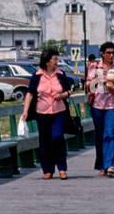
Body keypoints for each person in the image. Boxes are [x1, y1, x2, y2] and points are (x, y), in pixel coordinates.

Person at [21, 49, 76, 180]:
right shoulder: (37, 76)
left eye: (57, 59)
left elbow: (69, 91)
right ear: (47, 61)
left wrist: (61, 95)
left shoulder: (61, 74)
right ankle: (48, 169)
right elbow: (30, 93)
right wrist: (25, 110)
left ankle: (62, 168)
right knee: (45, 141)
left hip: (59, 111)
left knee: (57, 137)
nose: (57, 62)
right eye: (55, 59)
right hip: (42, 112)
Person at [85, 41, 114, 177]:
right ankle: (101, 164)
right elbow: (88, 85)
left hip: (113, 105)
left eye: (113, 53)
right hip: (97, 105)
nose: (111, 56)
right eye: (108, 53)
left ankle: (111, 165)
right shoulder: (95, 67)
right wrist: (99, 81)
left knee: (110, 134)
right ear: (102, 53)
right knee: (100, 135)